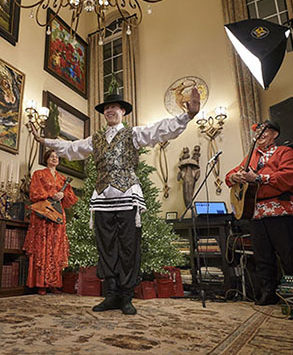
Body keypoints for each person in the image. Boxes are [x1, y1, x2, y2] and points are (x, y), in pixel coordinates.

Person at [32, 88, 200, 314]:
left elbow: (159, 130)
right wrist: (45, 140)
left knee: (129, 248)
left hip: (128, 197)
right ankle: (111, 295)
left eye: (114, 107)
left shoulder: (133, 134)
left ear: (123, 111)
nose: (110, 110)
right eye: (107, 108)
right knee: (106, 247)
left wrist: (186, 116)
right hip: (102, 199)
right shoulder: (97, 139)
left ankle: (126, 296)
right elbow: (72, 148)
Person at [225, 120, 293, 306]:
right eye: (257, 131)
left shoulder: (285, 152)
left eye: (264, 131)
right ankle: (268, 293)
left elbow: (288, 176)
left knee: (289, 256)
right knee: (263, 257)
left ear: (275, 134)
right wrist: (233, 177)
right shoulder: (251, 157)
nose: (260, 134)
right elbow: (230, 175)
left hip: (280, 212)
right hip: (256, 213)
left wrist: (260, 178)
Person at [23, 149, 78, 295]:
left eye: (56, 157)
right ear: (46, 159)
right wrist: (51, 194)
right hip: (42, 215)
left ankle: (53, 283)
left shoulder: (62, 178)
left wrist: (63, 194)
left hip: (57, 216)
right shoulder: (38, 174)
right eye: (51, 156)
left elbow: (71, 199)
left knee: (55, 248)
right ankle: (40, 283)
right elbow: (34, 193)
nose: (54, 158)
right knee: (42, 247)